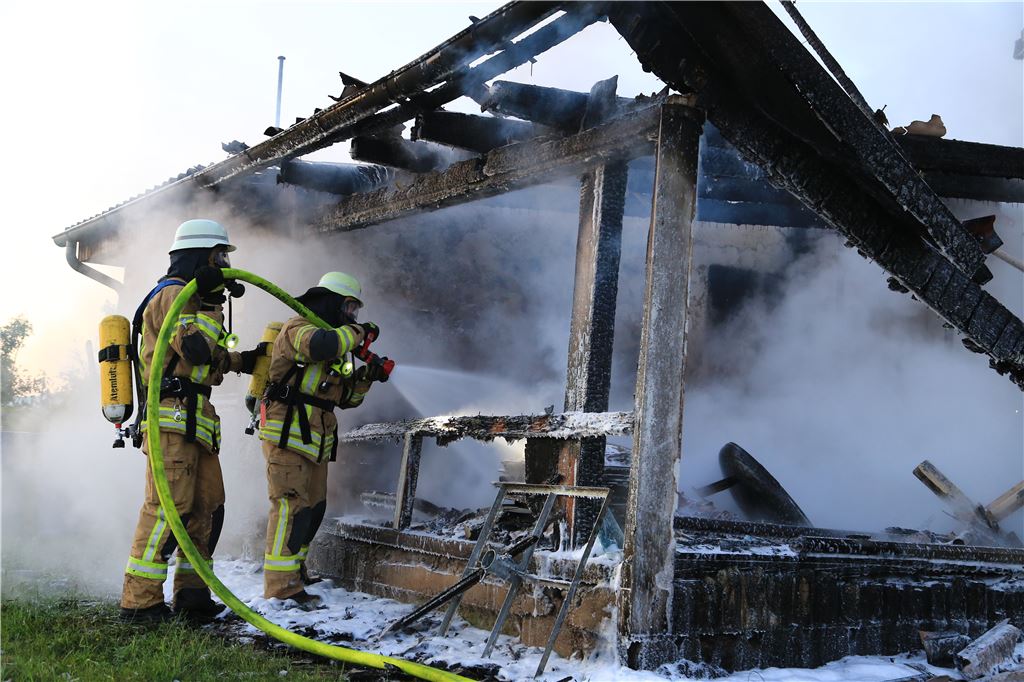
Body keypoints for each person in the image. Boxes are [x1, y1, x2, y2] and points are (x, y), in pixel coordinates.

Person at [120, 219, 263, 623]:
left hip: (196, 420)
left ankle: (193, 596)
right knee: (168, 507)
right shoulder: (172, 295)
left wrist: (243, 361)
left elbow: (212, 361)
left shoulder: (196, 301)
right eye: (220, 256)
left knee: (206, 508)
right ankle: (140, 601)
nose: (224, 265)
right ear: (201, 256)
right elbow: (196, 349)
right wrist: (204, 297)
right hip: (169, 417)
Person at [258, 272, 387, 603]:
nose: (353, 316)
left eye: (356, 311)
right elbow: (321, 346)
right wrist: (358, 332)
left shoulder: (338, 345)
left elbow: (344, 400)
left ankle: (295, 572)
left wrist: (366, 378)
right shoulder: (298, 327)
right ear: (330, 301)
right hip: (287, 435)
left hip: (315, 440)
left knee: (313, 509)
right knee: (290, 508)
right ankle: (281, 588)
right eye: (349, 307)